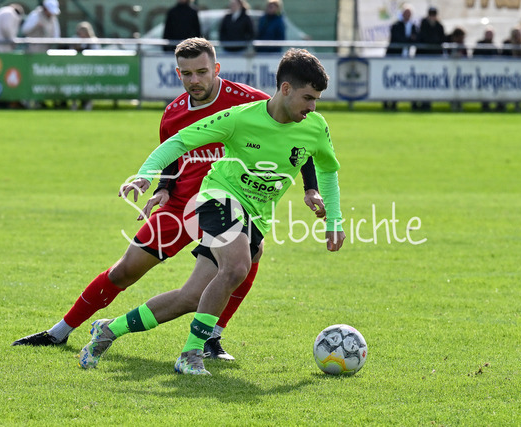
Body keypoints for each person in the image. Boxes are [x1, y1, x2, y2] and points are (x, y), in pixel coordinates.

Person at [12, 38, 325, 362]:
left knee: (247, 259)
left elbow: (298, 141)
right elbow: (173, 156)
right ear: (178, 74)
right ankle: (59, 332)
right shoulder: (174, 113)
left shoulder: (251, 102)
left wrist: (310, 187)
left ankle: (211, 338)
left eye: (202, 72)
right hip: (181, 205)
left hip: (228, 204)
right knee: (124, 271)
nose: (194, 80)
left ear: (216, 69)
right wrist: (162, 186)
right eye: (186, 74)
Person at [77, 48, 345, 376]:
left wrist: (334, 219)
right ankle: (191, 353)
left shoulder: (315, 127)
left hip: (256, 215)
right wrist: (146, 175)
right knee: (236, 268)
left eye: (317, 100)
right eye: (308, 98)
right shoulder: (240, 118)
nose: (313, 107)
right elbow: (179, 142)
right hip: (218, 198)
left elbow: (328, 169)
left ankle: (110, 329)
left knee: (191, 297)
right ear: (286, 89)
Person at [384, 4, 418, 111]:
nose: (407, 15)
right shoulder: (396, 26)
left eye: (409, 13)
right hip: (395, 57)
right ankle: (390, 103)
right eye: (405, 13)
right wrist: (409, 39)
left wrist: (409, 40)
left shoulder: (413, 26)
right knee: (393, 81)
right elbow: (398, 39)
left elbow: (416, 39)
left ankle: (413, 103)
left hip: (407, 58)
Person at [473, 26, 503, 112]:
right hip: (481, 72)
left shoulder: (494, 47)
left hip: (492, 73)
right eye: (488, 34)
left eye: (491, 34)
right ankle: (485, 104)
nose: (489, 36)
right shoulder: (479, 45)